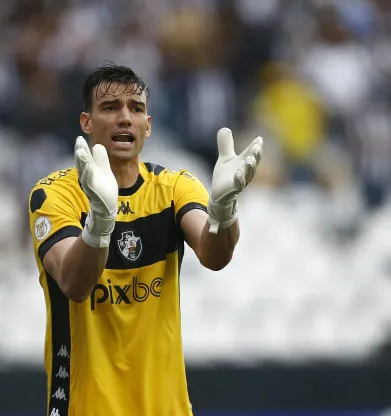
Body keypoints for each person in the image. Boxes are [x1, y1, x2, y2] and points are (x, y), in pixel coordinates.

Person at [28, 64, 263, 416]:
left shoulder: (173, 187)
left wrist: (225, 210)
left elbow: (215, 255)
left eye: (135, 108)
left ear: (148, 125)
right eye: (110, 108)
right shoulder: (53, 195)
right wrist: (101, 221)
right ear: (86, 122)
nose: (125, 118)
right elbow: (75, 284)